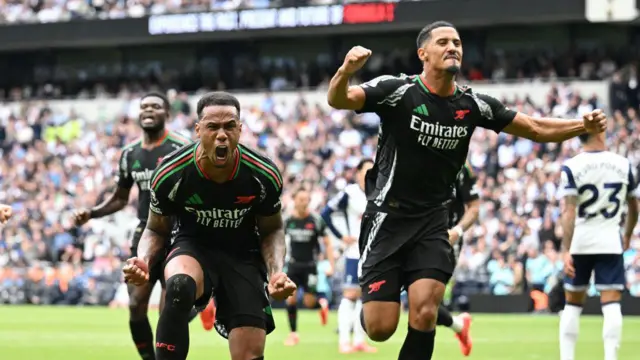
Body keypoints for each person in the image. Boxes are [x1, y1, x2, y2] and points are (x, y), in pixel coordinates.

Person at [326, 20, 607, 360]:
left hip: (433, 221)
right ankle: (369, 313)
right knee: (381, 328)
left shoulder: (473, 104)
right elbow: (338, 99)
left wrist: (582, 126)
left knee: (426, 312)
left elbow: (534, 127)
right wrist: (346, 70)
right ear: (423, 53)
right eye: (443, 42)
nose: (453, 47)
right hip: (388, 218)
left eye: (457, 42)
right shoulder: (396, 90)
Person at [122, 91, 297, 360]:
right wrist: (144, 259)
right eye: (212, 127)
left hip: (243, 256)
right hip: (192, 247)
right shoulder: (171, 172)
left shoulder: (264, 174)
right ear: (198, 130)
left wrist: (275, 272)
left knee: (249, 354)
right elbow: (156, 228)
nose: (222, 135)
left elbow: (272, 228)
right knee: (178, 286)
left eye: (229, 126)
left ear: (240, 129)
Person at [72, 93, 194, 360]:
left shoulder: (182, 148)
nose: (149, 110)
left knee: (169, 311)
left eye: (156, 106)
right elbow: (120, 197)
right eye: (144, 107)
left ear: (167, 114)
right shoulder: (130, 154)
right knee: (136, 304)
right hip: (146, 234)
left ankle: (197, 305)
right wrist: (92, 213)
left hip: (179, 234)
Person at [558, 131, 638, 360]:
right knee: (611, 304)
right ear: (601, 132)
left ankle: (567, 357)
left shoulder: (572, 166)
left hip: (580, 242)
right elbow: (634, 206)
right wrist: (627, 234)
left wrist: (566, 250)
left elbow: (569, 211)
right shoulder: (623, 164)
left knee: (572, 305)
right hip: (610, 240)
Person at [321, 158, 378, 354]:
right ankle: (344, 340)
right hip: (354, 252)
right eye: (366, 170)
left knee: (365, 295)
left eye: (373, 170)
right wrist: (341, 236)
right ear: (358, 173)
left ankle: (359, 340)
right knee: (350, 294)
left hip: (373, 253)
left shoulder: (379, 193)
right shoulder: (350, 193)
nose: (370, 174)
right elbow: (326, 213)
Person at [437, 160, 479, 356]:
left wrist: (458, 231)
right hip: (415, 238)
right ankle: (460, 326)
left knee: (424, 305)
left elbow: (474, 206)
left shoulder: (462, 167)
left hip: (446, 240)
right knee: (422, 307)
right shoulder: (412, 153)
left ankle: (459, 326)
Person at [283, 187, 336, 346]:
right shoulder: (288, 220)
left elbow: (327, 243)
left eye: (306, 200)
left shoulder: (315, 220)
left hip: (310, 266)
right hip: (293, 265)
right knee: (290, 300)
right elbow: (278, 241)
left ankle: (321, 304)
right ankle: (293, 334)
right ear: (294, 200)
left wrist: (331, 265)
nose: (304, 203)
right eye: (301, 199)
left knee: (308, 303)